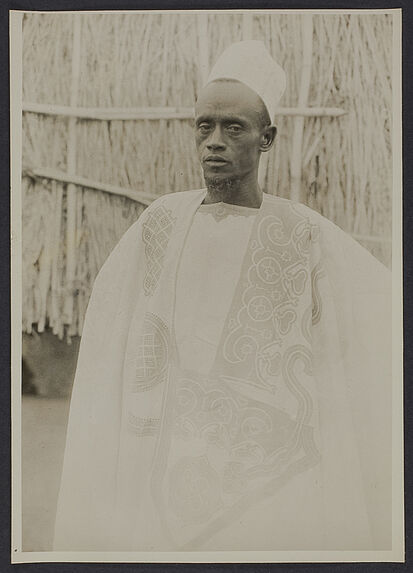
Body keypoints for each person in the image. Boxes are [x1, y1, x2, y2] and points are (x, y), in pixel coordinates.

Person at [53, 41, 392, 552]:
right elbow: (114, 324)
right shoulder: (160, 223)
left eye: (234, 128)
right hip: (161, 454)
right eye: (204, 126)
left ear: (266, 138)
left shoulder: (301, 234)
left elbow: (377, 305)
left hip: (268, 469)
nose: (214, 141)